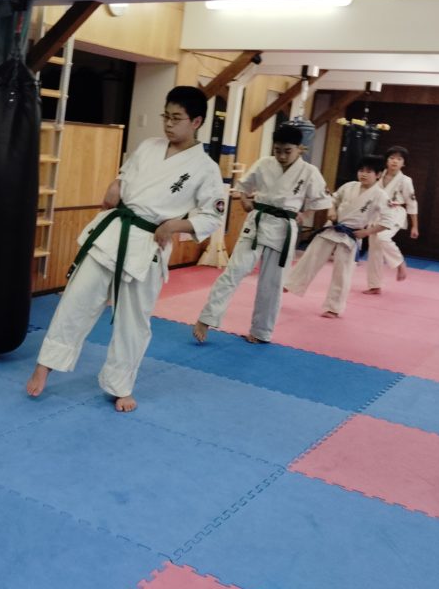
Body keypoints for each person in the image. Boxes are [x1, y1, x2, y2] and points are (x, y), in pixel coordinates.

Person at [25, 86, 223, 412]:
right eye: (165, 116)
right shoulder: (148, 146)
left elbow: (212, 217)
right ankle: (44, 367)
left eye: (176, 118)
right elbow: (124, 177)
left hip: (148, 244)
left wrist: (175, 225)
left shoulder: (206, 168)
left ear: (197, 121)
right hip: (113, 232)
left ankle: (120, 385)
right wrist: (114, 186)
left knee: (134, 322)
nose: (168, 124)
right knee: (75, 301)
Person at [193, 125, 331, 344]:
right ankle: (206, 318)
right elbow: (243, 187)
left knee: (272, 283)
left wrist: (305, 214)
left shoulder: (309, 172)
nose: (282, 156)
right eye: (277, 150)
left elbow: (321, 200)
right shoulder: (264, 163)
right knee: (234, 271)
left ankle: (261, 332)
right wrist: (245, 200)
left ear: (300, 149)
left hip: (284, 228)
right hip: (258, 222)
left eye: (287, 151)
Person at [283, 155, 396, 318]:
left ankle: (333, 308)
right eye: (361, 170)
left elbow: (388, 221)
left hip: (351, 235)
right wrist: (332, 211)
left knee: (342, 272)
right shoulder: (349, 186)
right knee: (310, 257)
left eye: (368, 171)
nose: (363, 174)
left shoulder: (381, 196)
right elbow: (333, 199)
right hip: (332, 227)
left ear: (378, 174)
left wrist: (366, 232)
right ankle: (291, 284)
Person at [365, 145, 419, 293]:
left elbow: (412, 203)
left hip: (395, 212)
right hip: (377, 214)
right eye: (392, 158)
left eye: (399, 159)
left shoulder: (406, 180)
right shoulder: (378, 176)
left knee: (382, 237)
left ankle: (400, 262)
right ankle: (375, 285)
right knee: (374, 249)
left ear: (404, 163)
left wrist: (415, 226)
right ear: (386, 160)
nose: (395, 161)